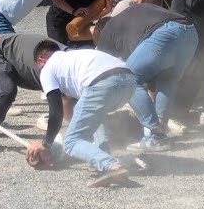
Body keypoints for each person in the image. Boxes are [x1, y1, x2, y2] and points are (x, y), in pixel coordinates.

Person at [94, 0, 199, 153]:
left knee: (129, 80)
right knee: (167, 78)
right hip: (190, 32)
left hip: (166, 33)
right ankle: (161, 131)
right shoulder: (131, 18)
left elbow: (99, 71)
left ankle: (155, 135)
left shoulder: (107, 33)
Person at [27, 42, 135, 188]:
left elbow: (56, 109)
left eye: (39, 66)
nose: (40, 69)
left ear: (41, 60)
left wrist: (46, 143)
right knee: (96, 116)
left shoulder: (48, 69)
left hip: (102, 84)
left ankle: (112, 165)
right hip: (129, 82)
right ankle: (104, 162)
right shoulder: (75, 57)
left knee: (71, 141)